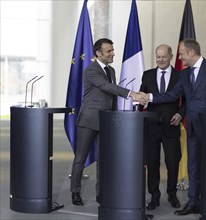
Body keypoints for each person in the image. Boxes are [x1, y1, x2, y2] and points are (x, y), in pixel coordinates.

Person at [140, 39, 206, 215]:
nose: (180, 58)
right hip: (192, 128)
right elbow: (173, 95)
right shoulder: (184, 74)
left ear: (191, 52)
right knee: (193, 166)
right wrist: (149, 98)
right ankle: (192, 202)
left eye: (181, 54)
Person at [70, 38, 144, 206]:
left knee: (103, 160)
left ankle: (101, 194)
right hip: (89, 120)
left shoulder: (111, 70)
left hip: (106, 121)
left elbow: (110, 96)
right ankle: (75, 192)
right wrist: (131, 93)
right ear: (98, 53)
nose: (113, 53)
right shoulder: (91, 70)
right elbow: (106, 87)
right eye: (109, 51)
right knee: (80, 158)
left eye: (112, 50)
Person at [139, 44, 185, 210]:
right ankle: (154, 197)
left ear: (171, 56)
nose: (160, 59)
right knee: (152, 163)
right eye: (158, 56)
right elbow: (141, 96)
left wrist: (180, 114)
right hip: (151, 126)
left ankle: (172, 195)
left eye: (163, 56)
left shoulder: (181, 76)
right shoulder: (147, 75)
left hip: (171, 125)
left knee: (172, 163)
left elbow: (186, 101)